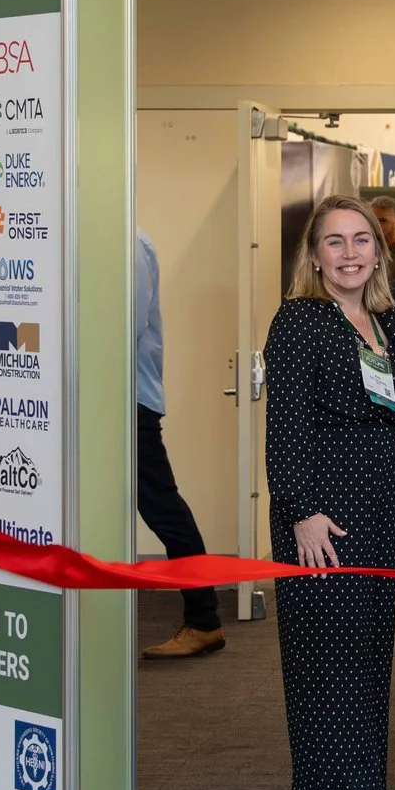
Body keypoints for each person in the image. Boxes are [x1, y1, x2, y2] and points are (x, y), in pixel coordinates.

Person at [264, 194, 395, 790]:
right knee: (327, 662)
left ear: (379, 250)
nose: (349, 254)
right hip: (322, 516)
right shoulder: (300, 322)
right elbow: (286, 429)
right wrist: (301, 511)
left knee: (364, 661)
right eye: (334, 242)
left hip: (377, 512)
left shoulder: (386, 323)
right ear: (314, 254)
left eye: (361, 240)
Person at [134, 228, 227, 659]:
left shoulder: (127, 242)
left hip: (128, 401)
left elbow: (121, 329)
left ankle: (204, 620)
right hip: (97, 404)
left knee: (162, 508)